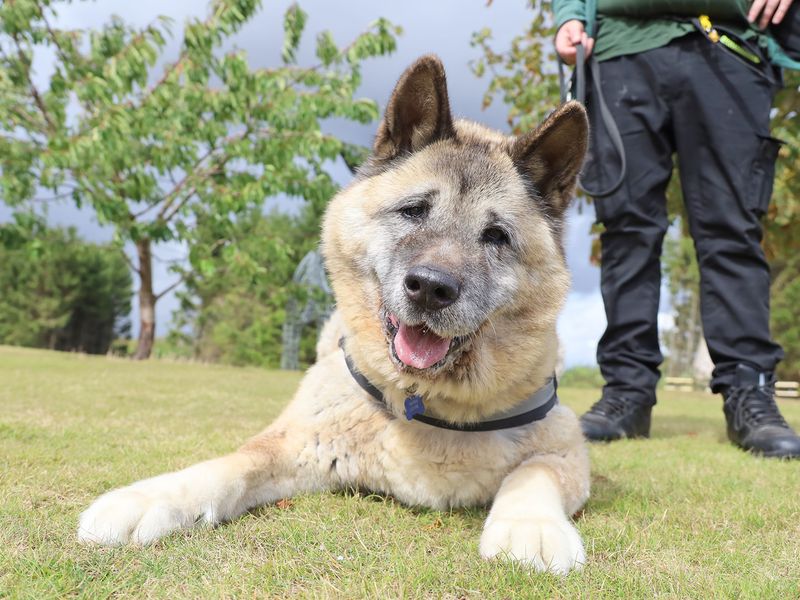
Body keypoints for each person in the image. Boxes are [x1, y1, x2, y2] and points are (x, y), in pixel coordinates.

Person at [553, 0, 800, 457]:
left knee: (732, 229)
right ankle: (626, 392)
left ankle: (750, 391)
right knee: (626, 231)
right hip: (620, 45)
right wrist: (569, 12)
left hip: (731, 44)